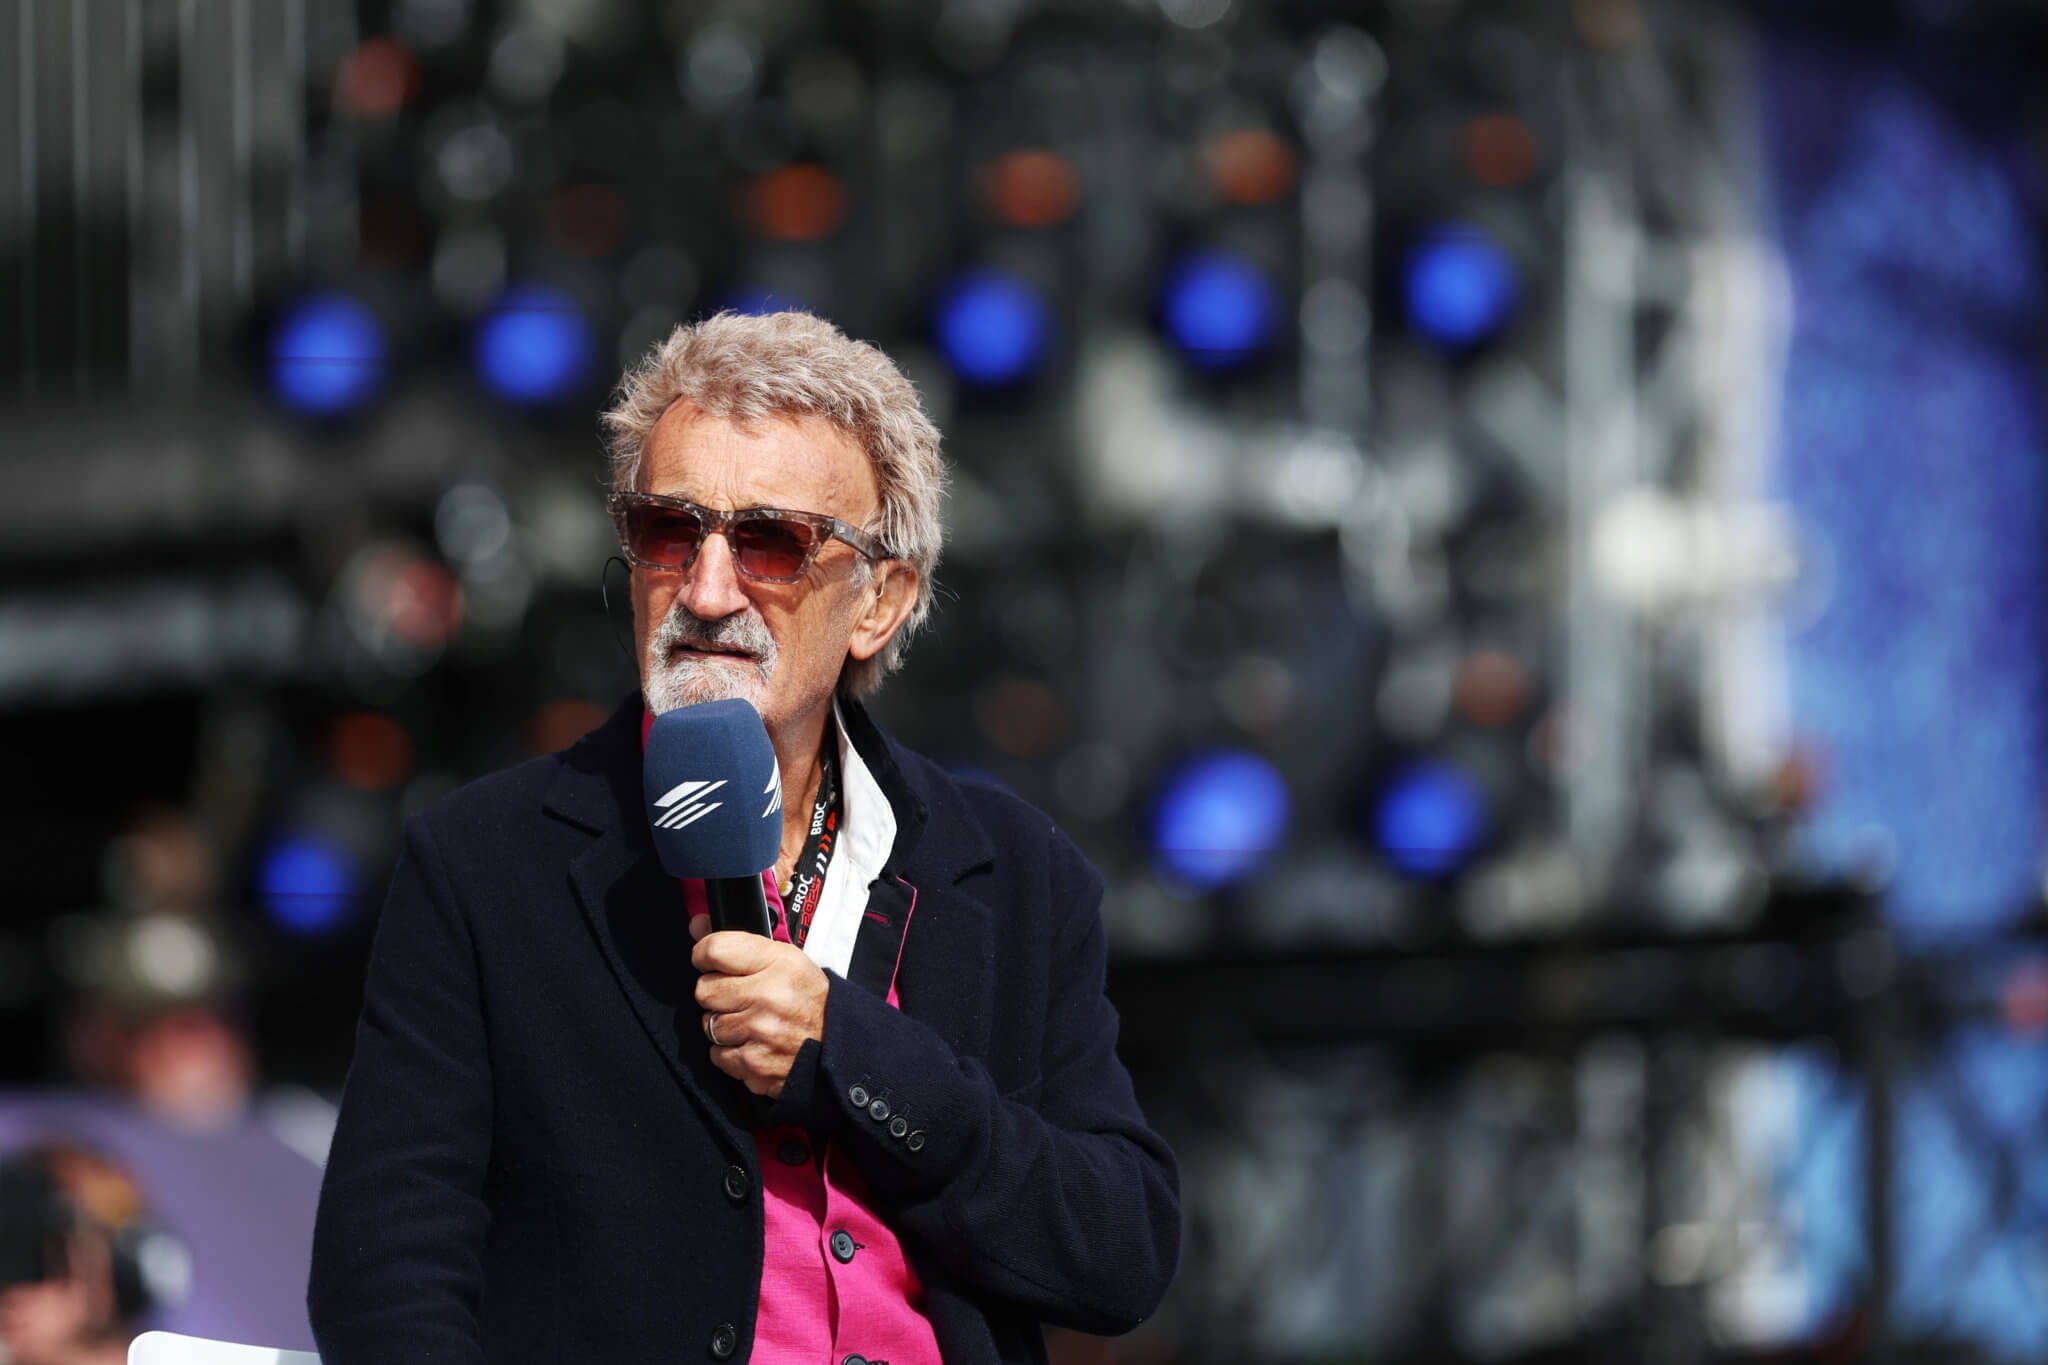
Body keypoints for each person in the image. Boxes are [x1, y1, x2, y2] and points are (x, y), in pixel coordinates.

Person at [307, 311, 1180, 1364]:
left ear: (879, 602)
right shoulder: (484, 864)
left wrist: (854, 1052)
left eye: (770, 542)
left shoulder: (1015, 871)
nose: (707, 588)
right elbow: (385, 1276)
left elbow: (1121, 1253)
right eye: (668, 531)